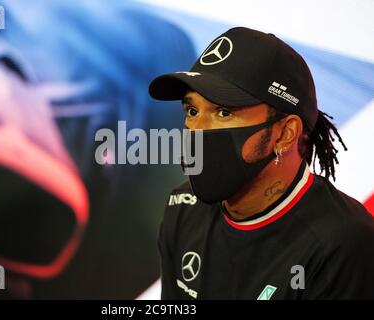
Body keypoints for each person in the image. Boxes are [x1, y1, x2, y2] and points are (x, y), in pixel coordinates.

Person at [149, 27, 374, 299]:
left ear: (284, 134)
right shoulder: (183, 208)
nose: (196, 130)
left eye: (223, 112)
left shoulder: (344, 245)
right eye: (192, 111)